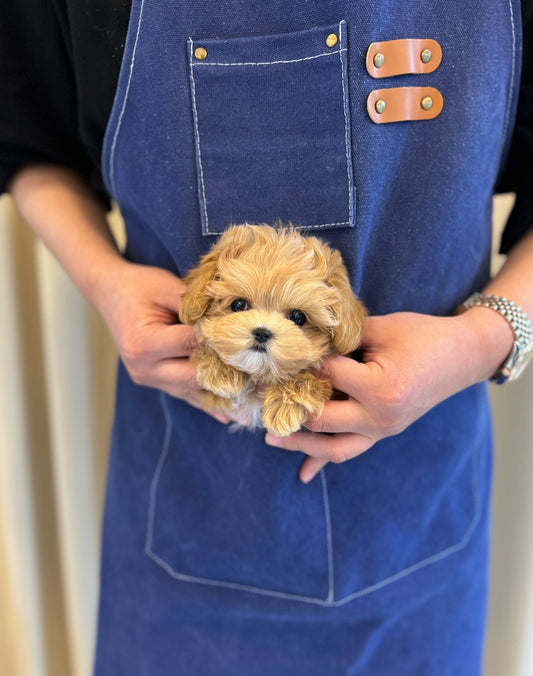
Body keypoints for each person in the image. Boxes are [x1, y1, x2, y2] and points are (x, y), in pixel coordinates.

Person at [2, 1, 533, 674]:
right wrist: (108, 283)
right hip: (187, 498)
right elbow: (27, 136)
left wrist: (490, 336)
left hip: (415, 510)